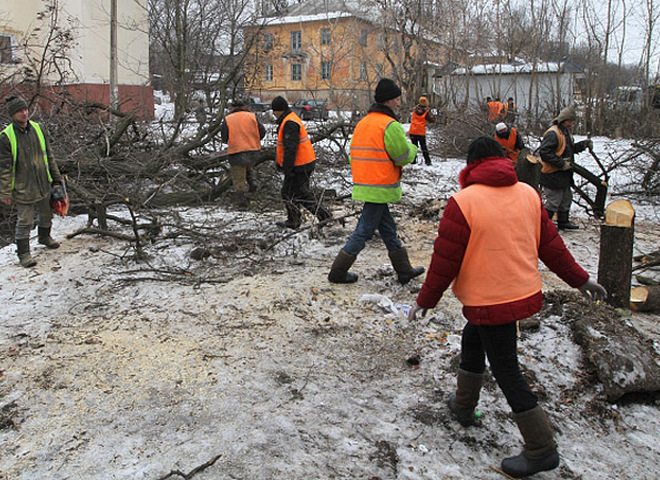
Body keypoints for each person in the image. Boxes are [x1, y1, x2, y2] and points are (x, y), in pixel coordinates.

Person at [407, 136, 606, 478]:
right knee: (473, 337)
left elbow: (444, 262)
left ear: (470, 166)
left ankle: (541, 448)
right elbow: (553, 247)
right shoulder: (528, 193)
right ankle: (464, 405)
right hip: (519, 291)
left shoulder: (463, 202)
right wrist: (580, 279)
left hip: (490, 297)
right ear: (503, 160)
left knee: (506, 369)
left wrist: (425, 300)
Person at [328, 78, 424, 285]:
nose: (399, 103)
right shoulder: (390, 125)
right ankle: (337, 272)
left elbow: (355, 154)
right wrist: (414, 149)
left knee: (388, 228)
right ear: (389, 101)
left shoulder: (363, 123)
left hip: (365, 183)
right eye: (397, 99)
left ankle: (404, 270)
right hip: (380, 186)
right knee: (363, 230)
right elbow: (402, 156)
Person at [0, 95, 62, 267]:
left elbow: (49, 155)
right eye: (20, 111)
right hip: (22, 186)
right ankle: (24, 253)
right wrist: (4, 192)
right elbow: (4, 168)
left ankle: (44, 237)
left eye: (25, 109)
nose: (24, 113)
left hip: (42, 181)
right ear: (12, 115)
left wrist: (56, 178)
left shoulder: (38, 128)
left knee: (47, 213)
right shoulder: (6, 137)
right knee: (25, 221)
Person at [271, 95, 331, 229]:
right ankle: (317, 216)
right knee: (297, 193)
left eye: (274, 111)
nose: (273, 114)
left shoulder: (289, 123)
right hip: (303, 163)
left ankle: (300, 219)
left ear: (278, 110)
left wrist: (287, 169)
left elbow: (290, 149)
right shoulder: (290, 119)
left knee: (291, 193)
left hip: (299, 165)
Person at [539, 106, 593, 230]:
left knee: (566, 200)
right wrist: (561, 163)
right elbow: (545, 153)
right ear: (563, 120)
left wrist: (583, 145)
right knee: (554, 202)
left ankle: (563, 222)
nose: (572, 123)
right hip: (552, 173)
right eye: (570, 121)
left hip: (564, 174)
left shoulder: (565, 132)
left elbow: (569, 149)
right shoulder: (553, 133)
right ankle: (543, 225)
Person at [220, 99, 266, 202]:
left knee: (239, 179)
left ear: (232, 107)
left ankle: (242, 203)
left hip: (236, 152)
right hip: (253, 150)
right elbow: (262, 132)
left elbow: (224, 137)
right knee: (248, 167)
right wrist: (254, 140)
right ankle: (252, 182)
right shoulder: (252, 116)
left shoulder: (228, 119)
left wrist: (230, 141)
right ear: (244, 107)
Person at [408, 96, 435, 165]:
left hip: (413, 131)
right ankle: (428, 161)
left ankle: (413, 160)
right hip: (420, 132)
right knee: (423, 147)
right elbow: (432, 120)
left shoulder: (414, 109)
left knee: (414, 147)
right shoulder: (426, 112)